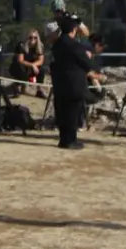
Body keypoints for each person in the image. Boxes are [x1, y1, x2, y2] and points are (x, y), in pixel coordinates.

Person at [48, 13, 103, 150]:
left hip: (60, 81)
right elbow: (87, 63)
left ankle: (63, 139)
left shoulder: (57, 44)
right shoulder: (76, 46)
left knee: (62, 111)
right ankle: (71, 140)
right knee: (73, 112)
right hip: (74, 82)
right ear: (73, 29)